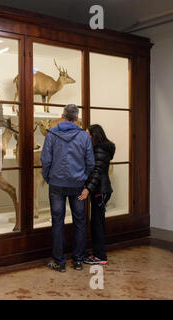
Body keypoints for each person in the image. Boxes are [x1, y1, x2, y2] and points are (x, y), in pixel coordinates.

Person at [41, 104, 95, 272]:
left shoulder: (51, 134)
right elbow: (90, 162)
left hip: (56, 184)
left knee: (57, 221)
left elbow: (46, 160)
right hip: (77, 185)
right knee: (80, 221)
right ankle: (78, 260)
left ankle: (59, 262)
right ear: (77, 118)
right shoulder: (84, 136)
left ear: (62, 116)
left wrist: (48, 177)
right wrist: (83, 178)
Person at [78, 124, 115, 265]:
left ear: (94, 135)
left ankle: (100, 256)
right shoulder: (101, 148)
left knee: (97, 224)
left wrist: (87, 189)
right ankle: (98, 253)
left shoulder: (100, 150)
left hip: (100, 191)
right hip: (100, 190)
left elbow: (97, 172)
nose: (86, 136)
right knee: (97, 222)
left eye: (88, 134)